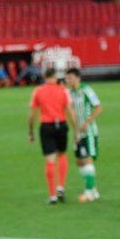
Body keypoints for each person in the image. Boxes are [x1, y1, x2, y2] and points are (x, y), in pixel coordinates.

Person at [27, 69, 76, 205]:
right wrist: (76, 129)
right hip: (61, 124)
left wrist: (30, 131)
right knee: (62, 155)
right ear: (55, 77)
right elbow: (70, 111)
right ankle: (61, 187)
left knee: (50, 159)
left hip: (46, 126)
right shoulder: (63, 90)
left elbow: (32, 115)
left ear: (44, 77)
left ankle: (52, 195)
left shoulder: (38, 91)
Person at [64, 67, 102, 203]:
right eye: (67, 78)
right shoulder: (69, 93)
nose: (68, 80)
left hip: (89, 131)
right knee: (79, 161)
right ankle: (93, 190)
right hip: (77, 132)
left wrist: (88, 122)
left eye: (70, 77)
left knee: (86, 159)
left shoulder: (86, 90)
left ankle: (88, 192)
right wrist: (75, 131)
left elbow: (98, 107)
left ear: (78, 78)